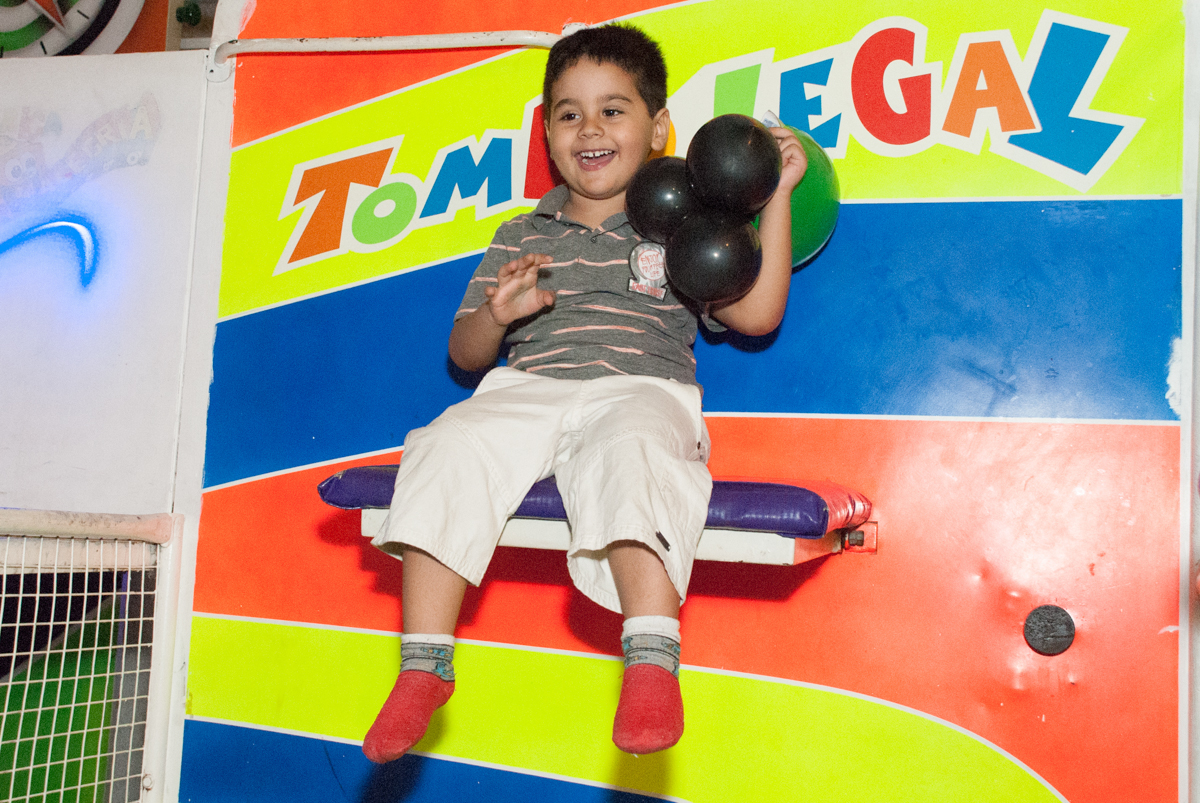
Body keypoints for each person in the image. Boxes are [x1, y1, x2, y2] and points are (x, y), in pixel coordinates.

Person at [362, 23, 806, 763]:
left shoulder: (681, 227)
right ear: (547, 133)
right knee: (446, 443)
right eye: (569, 113)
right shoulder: (521, 231)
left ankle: (652, 656)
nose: (590, 128)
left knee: (634, 446)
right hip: (530, 386)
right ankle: (423, 663)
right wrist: (497, 314)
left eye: (613, 109)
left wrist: (779, 194)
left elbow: (757, 315)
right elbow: (464, 353)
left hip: (641, 388)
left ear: (659, 128)